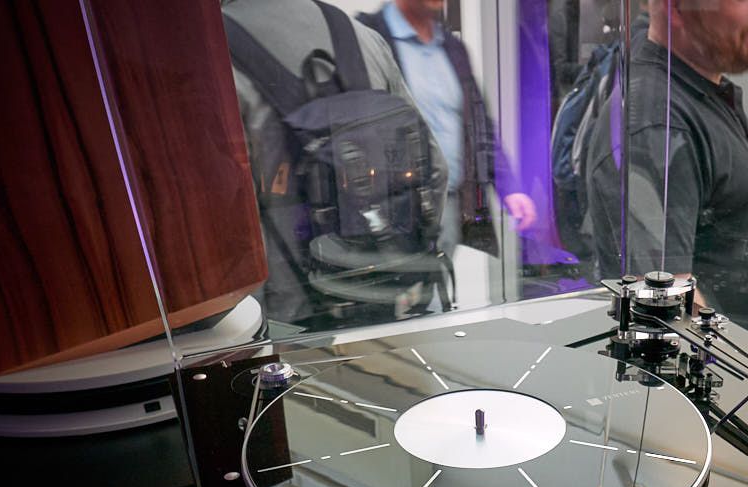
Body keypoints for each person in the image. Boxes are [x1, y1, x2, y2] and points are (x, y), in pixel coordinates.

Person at [585, 0, 748, 345]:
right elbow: (664, 307)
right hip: (722, 372)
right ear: (675, 8)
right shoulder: (657, 124)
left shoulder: (699, 91)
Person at [223, 0, 449, 325]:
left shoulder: (215, 52)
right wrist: (403, 258)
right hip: (384, 294)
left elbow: (228, 223)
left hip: (288, 314)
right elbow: (435, 168)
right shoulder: (362, 37)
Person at [358, 1, 537, 263]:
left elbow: (479, 125)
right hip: (393, 216)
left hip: (450, 207)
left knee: (443, 286)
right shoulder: (367, 37)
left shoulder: (452, 48)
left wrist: (510, 187)